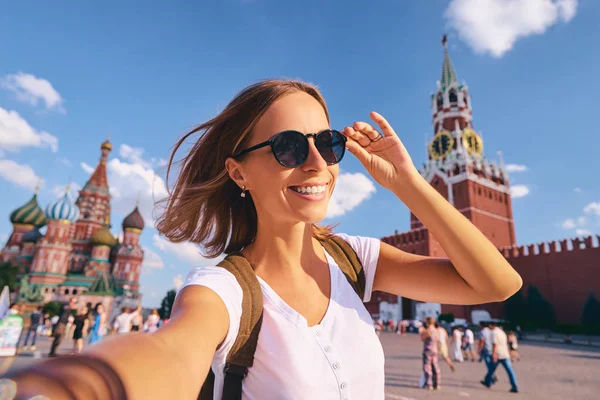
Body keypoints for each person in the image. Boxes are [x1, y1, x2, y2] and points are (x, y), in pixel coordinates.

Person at [7, 79, 522, 399]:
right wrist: (71, 388)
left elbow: (496, 285)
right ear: (238, 172)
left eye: (329, 143)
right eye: (289, 147)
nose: (317, 162)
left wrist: (409, 184)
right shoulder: (224, 293)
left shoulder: (354, 261)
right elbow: (168, 354)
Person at [482, 323, 519, 393]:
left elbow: (494, 344)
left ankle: (488, 382)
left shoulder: (494, 333)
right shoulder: (502, 332)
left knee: (491, 369)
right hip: (505, 354)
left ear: (492, 325)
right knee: (510, 371)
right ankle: (514, 386)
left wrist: (494, 354)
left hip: (498, 354)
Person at [420, 317, 441, 390]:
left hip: (428, 350)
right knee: (435, 366)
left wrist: (422, 331)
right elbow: (438, 340)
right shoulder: (436, 330)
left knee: (427, 367)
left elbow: (422, 338)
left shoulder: (428, 330)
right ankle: (437, 383)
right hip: (435, 350)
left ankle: (429, 384)